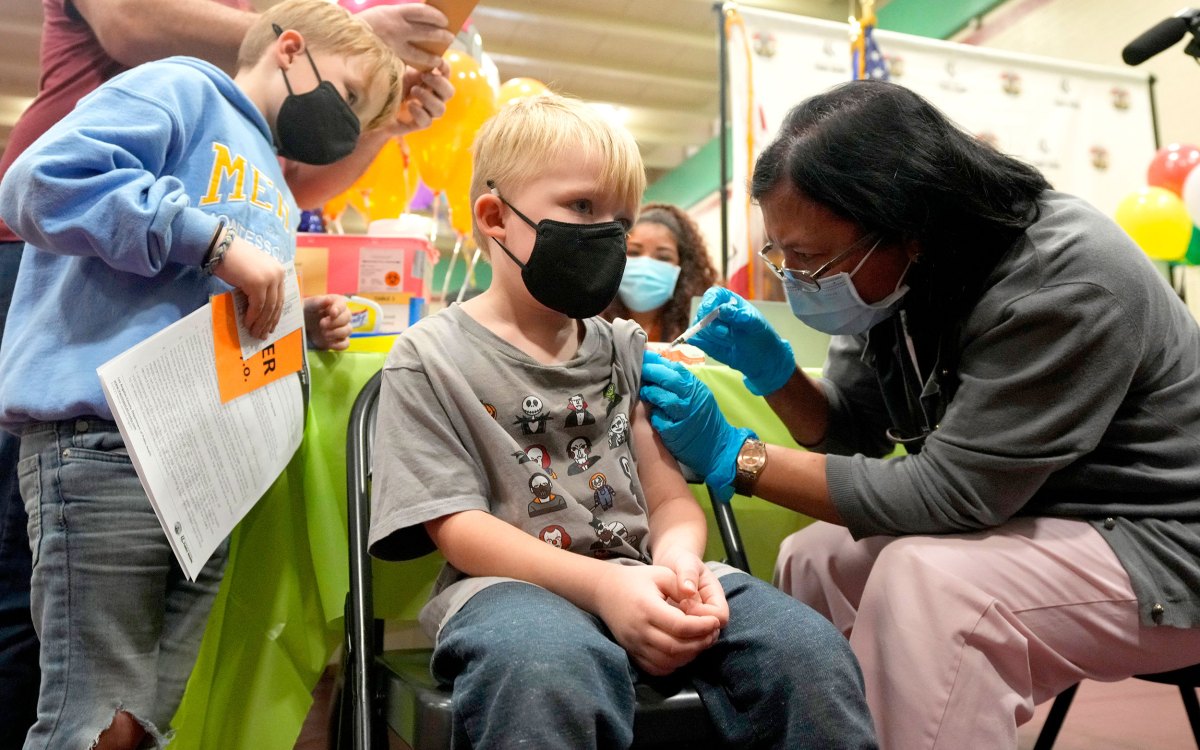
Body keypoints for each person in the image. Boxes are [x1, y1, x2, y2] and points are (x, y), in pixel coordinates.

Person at [639, 78, 1200, 749]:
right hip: (1048, 518)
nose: (794, 277)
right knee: (813, 556)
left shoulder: (1064, 278)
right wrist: (776, 375)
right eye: (781, 255)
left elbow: (953, 492)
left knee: (932, 586)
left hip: (1167, 546)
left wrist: (741, 457)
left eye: (810, 258)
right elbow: (855, 436)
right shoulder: (893, 280)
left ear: (908, 224)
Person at [0, 0, 454, 743]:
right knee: (88, 721)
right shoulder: (182, 87)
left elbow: (213, 304)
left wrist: (291, 324)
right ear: (290, 49)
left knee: (142, 722)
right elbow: (39, 182)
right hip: (109, 443)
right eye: (344, 96)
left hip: (200, 471)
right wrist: (208, 240)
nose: (341, 123)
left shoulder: (270, 175)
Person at [367, 93, 878, 749]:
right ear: (495, 217)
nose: (609, 234)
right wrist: (608, 586)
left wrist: (679, 565)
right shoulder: (429, 356)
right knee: (544, 671)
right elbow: (460, 529)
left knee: (808, 650)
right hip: (508, 591)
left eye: (621, 220)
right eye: (583, 207)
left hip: (646, 571)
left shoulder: (624, 352)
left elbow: (669, 501)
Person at [602, 203, 720, 343]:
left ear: (683, 267)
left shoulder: (701, 329)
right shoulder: (587, 322)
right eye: (634, 252)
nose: (645, 266)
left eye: (663, 257)